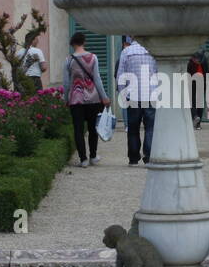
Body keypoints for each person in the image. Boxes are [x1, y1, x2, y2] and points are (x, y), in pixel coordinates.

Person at [64, 31, 110, 167]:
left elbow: (66, 84)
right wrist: (105, 97)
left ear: (72, 44)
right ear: (84, 42)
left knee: (78, 130)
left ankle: (83, 159)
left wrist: (65, 98)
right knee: (92, 129)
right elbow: (97, 79)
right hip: (94, 99)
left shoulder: (68, 60)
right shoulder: (93, 57)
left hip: (75, 100)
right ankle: (93, 156)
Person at [116, 36, 158, 165]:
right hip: (150, 95)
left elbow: (120, 76)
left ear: (132, 38)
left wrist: (122, 94)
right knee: (150, 128)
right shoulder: (152, 51)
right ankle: (149, 156)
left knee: (133, 128)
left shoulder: (126, 52)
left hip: (132, 96)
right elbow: (158, 73)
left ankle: (133, 158)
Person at [187, 50, 207, 128]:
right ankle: (198, 124)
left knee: (192, 101)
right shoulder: (204, 56)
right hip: (202, 81)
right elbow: (208, 70)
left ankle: (195, 117)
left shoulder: (189, 58)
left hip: (192, 82)